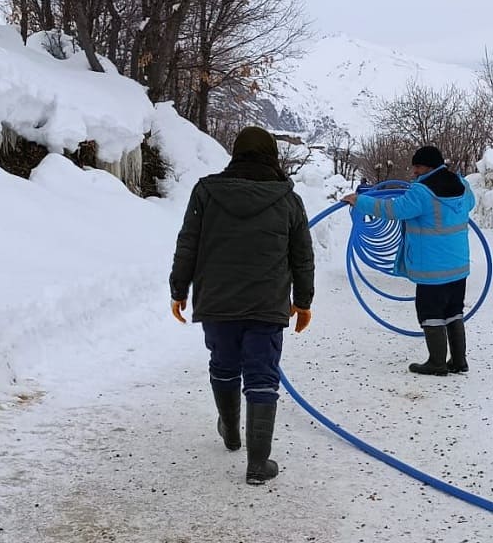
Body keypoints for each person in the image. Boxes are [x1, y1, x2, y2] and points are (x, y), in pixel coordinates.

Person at [168, 126, 315, 485]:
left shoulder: (206, 192)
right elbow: (302, 256)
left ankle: (231, 433)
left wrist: (178, 290)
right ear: (272, 157)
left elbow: (188, 243)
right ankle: (257, 464)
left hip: (217, 300)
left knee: (223, 364)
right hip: (267, 304)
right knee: (262, 374)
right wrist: (303, 302)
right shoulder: (288, 199)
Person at [343, 145, 475, 376]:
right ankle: (458, 361)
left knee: (430, 313)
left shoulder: (422, 191)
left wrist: (360, 201)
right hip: (458, 264)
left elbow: (394, 209)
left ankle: (436, 363)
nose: (413, 171)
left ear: (429, 166)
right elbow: (470, 204)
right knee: (454, 311)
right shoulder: (462, 185)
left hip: (432, 268)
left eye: (417, 166)